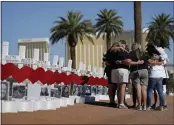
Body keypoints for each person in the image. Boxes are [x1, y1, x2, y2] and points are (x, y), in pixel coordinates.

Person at [128, 43, 149, 110]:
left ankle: (139, 105)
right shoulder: (144, 53)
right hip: (145, 71)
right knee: (144, 90)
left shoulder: (132, 53)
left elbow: (129, 61)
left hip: (136, 71)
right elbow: (148, 61)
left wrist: (136, 63)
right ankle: (145, 106)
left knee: (138, 89)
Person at [111, 40, 131, 109]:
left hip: (114, 70)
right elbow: (128, 61)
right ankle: (121, 103)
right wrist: (122, 61)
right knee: (123, 87)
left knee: (118, 87)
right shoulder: (125, 52)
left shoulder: (113, 51)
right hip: (123, 70)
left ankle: (119, 103)